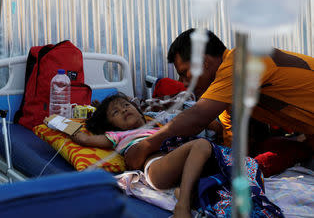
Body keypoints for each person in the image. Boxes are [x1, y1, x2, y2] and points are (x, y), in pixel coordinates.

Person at [125, 28, 314, 173]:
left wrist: (149, 143)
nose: (183, 83)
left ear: (203, 63)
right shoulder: (227, 100)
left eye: (184, 73)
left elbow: (197, 117)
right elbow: (234, 150)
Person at [71, 93, 282, 218]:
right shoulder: (116, 135)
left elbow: (204, 124)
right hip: (156, 166)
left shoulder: (158, 124)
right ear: (110, 125)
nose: (124, 110)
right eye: (115, 112)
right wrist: (58, 123)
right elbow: (85, 139)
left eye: (126, 105)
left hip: (181, 161)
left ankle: (186, 194)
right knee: (201, 145)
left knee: (245, 163)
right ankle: (182, 208)